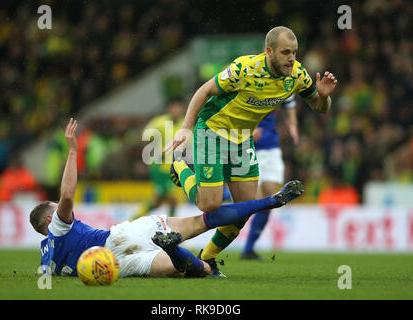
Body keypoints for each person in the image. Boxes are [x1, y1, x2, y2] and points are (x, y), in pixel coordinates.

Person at [31, 118, 304, 278]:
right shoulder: (56, 226)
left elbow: (46, 275)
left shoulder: (47, 259)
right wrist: (71, 151)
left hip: (123, 265)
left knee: (196, 272)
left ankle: (174, 249)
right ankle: (270, 201)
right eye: (54, 211)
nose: (62, 212)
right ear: (48, 217)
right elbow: (67, 197)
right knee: (203, 220)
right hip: (120, 238)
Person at [163, 26, 338, 277]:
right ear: (269, 51)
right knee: (210, 204)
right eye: (286, 52)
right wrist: (186, 128)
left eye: (295, 52)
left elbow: (320, 108)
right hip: (212, 131)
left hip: (242, 142)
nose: (292, 58)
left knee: (245, 208)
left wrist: (324, 97)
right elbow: (204, 90)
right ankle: (180, 166)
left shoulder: (298, 75)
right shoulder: (244, 69)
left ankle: (207, 258)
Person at [241, 95, 298, 260]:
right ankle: (224, 196)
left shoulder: (280, 83)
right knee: (251, 198)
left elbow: (290, 101)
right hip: (248, 148)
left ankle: (248, 249)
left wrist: (292, 122)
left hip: (271, 148)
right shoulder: (245, 80)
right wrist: (246, 132)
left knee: (270, 200)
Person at [131, 100, 186, 220]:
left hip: (174, 168)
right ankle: (172, 229)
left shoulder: (185, 124)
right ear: (169, 108)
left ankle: (130, 220)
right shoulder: (159, 122)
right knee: (173, 200)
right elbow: (143, 138)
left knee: (157, 202)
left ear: (183, 109)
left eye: (179, 107)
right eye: (174, 107)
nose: (176, 110)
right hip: (159, 166)